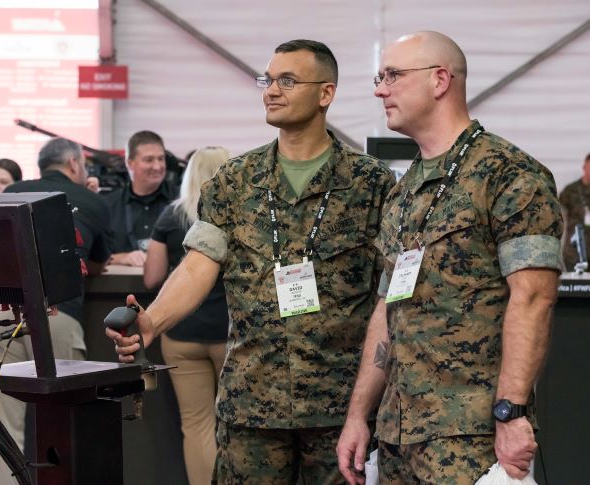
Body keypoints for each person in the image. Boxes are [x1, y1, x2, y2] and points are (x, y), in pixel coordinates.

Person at [108, 39, 394, 484]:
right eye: (268, 79)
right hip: (252, 405)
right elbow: (200, 263)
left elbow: (389, 297)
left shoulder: (371, 183)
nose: (271, 91)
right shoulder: (234, 181)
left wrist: (370, 401)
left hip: (339, 407)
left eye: (287, 80)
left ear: (326, 93)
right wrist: (153, 322)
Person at [336, 31, 563, 484]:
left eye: (393, 75)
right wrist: (359, 415)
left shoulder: (509, 174)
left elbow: (534, 298)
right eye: (379, 77)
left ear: (440, 80)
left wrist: (511, 410)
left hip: (471, 435)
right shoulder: (402, 193)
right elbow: (387, 306)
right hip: (399, 435)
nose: (380, 89)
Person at [0, 138, 113, 484]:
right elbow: (98, 262)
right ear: (72, 165)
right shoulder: (93, 202)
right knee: (66, 424)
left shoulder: (12, 192)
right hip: (57, 315)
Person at [143, 146, 231, 485]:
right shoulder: (242, 215)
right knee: (235, 424)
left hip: (181, 335)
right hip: (230, 335)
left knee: (196, 425)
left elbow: (152, 278)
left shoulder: (171, 216)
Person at [104, 130, 178, 267]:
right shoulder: (108, 206)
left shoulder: (181, 203)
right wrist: (121, 258)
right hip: (119, 286)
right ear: (129, 163)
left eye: (161, 159)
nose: (157, 166)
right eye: (149, 160)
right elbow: (91, 259)